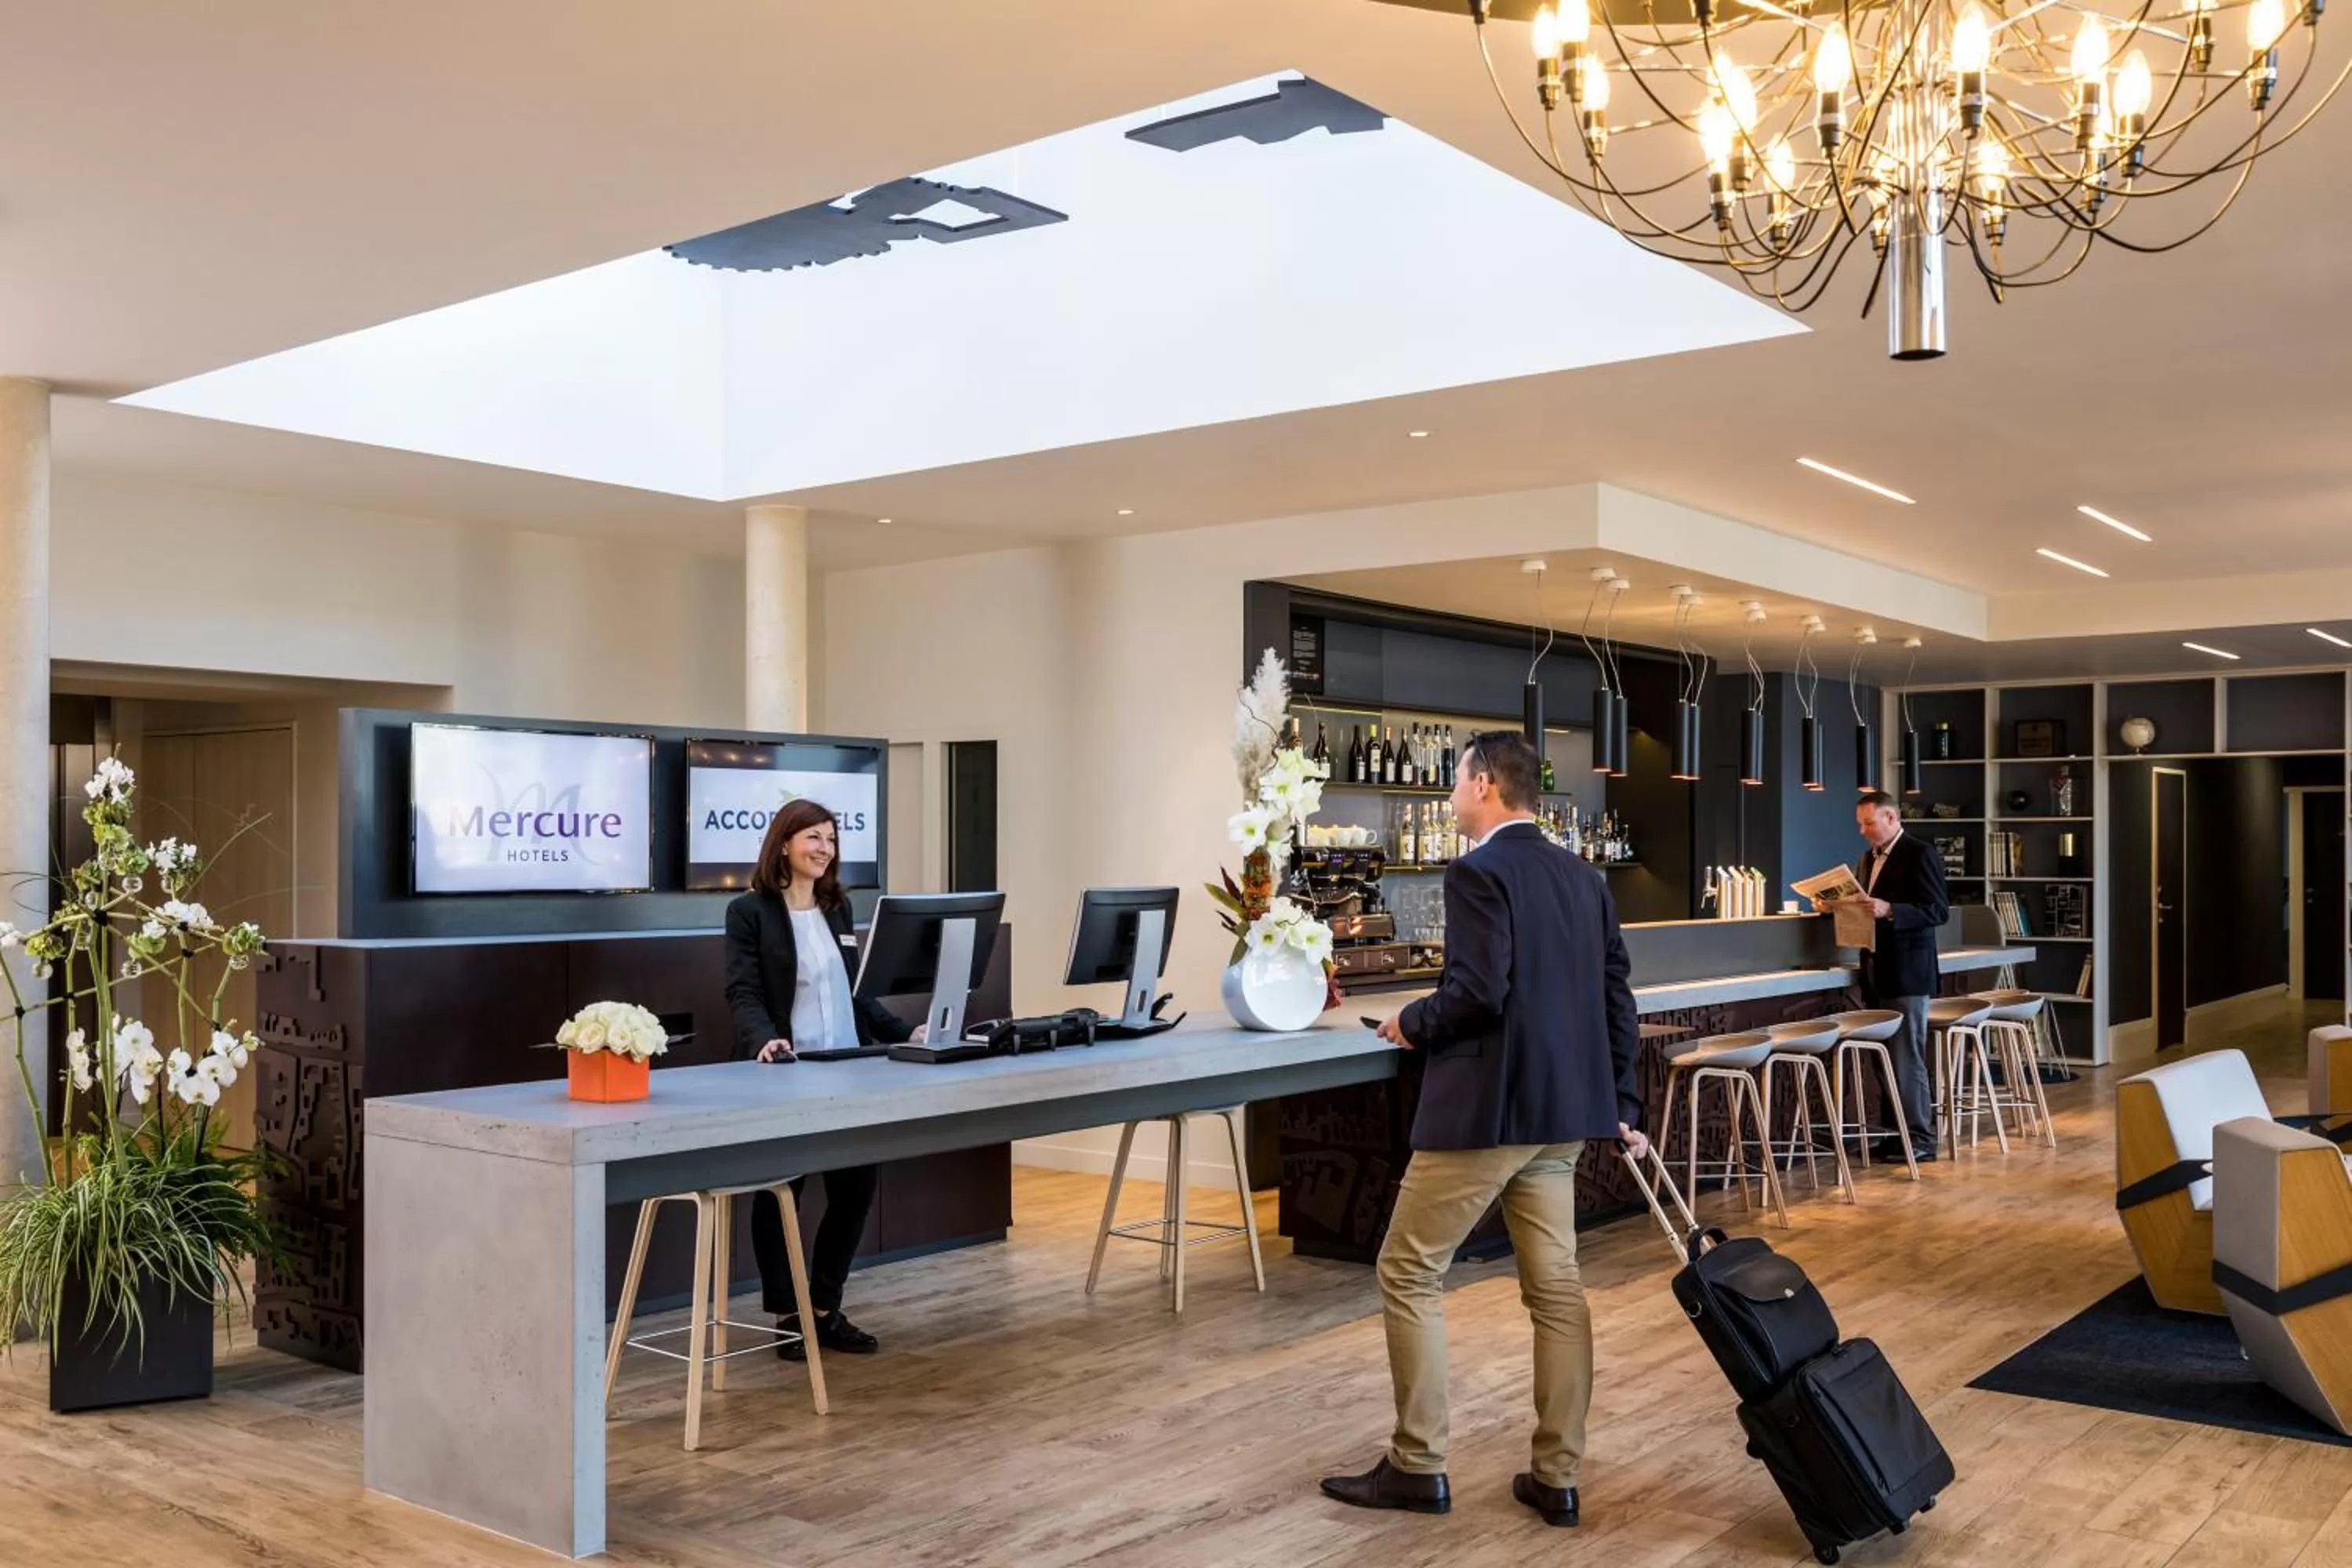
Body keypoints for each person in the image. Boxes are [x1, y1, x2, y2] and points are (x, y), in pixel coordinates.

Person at [1319, 730, 1642, 1530]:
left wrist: (1409, 1020)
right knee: (1557, 1290)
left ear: (1489, 785)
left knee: (1407, 1268)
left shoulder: (1477, 871)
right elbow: (1617, 996)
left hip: (1488, 1111)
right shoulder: (1582, 876)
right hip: (1565, 1113)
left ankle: (1417, 1463)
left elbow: (1475, 992)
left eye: (1457, 779)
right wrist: (1622, 1101)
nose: (1451, 792)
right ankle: (1557, 1475)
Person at [723, 797, 920, 1359]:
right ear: (784, 841)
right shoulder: (750, 912)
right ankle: (788, 1315)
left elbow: (856, 995)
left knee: (856, 1188)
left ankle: (825, 1309)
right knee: (780, 1192)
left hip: (847, 1067)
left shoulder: (838, 907)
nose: (824, 849)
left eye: (831, 840)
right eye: (813, 837)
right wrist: (765, 1038)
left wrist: (906, 1032)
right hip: (784, 1070)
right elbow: (743, 991)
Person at [1853, 789, 1950, 1163]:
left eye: (1869, 823)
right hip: (1875, 969)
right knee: (1884, 1060)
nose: (1863, 831)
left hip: (1909, 972)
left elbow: (1938, 910)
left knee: (1907, 1057)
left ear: (1891, 819)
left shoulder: (1920, 853)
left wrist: (1891, 909)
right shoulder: (1867, 859)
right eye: (1861, 824)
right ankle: (1896, 1137)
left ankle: (1922, 1139)